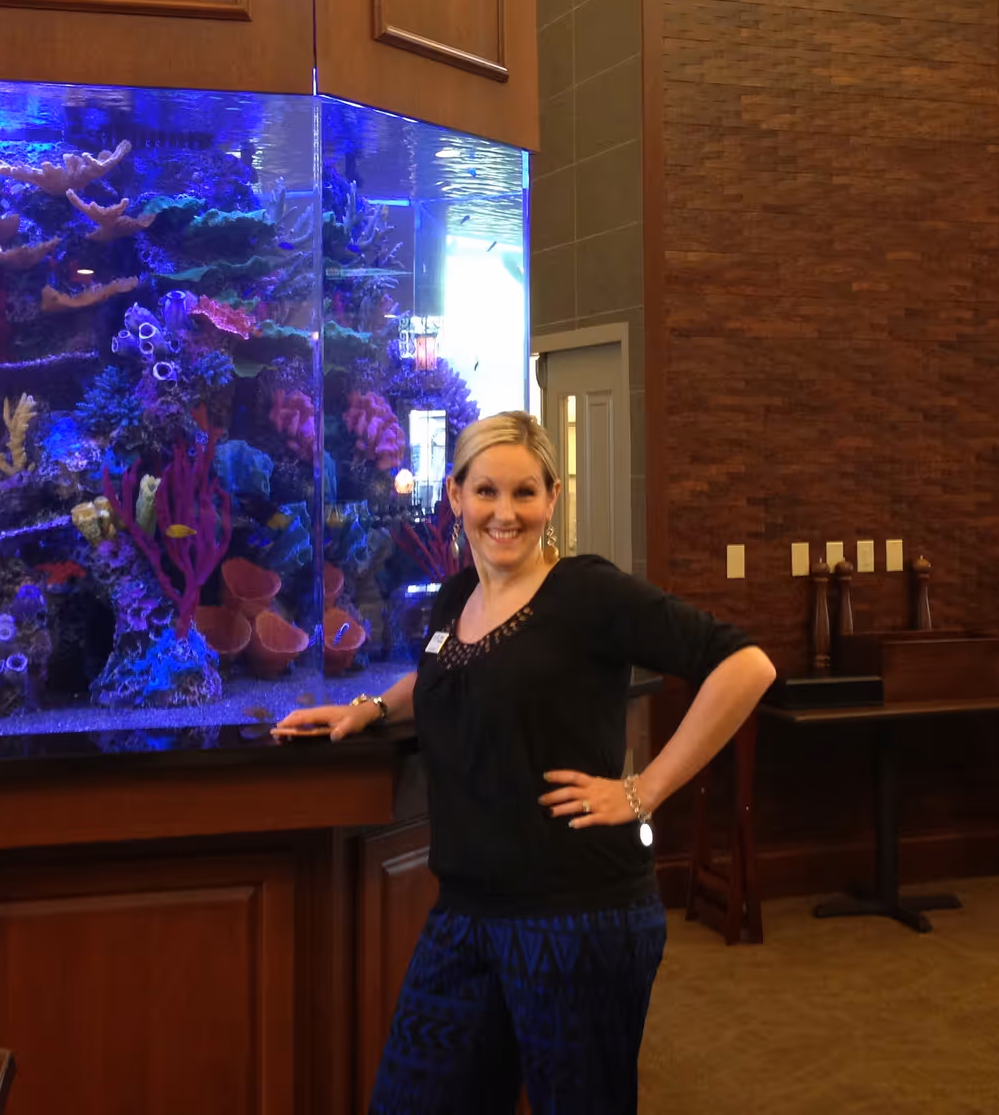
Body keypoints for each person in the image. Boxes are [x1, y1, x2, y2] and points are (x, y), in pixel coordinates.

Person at [277, 410, 775, 1114]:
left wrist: (645, 791)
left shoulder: (587, 592)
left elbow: (745, 665)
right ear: (454, 496)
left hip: (579, 916)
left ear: (552, 497)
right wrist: (372, 709)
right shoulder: (455, 597)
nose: (504, 514)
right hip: (465, 912)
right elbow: (446, 673)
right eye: (486, 492)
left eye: (523, 494)